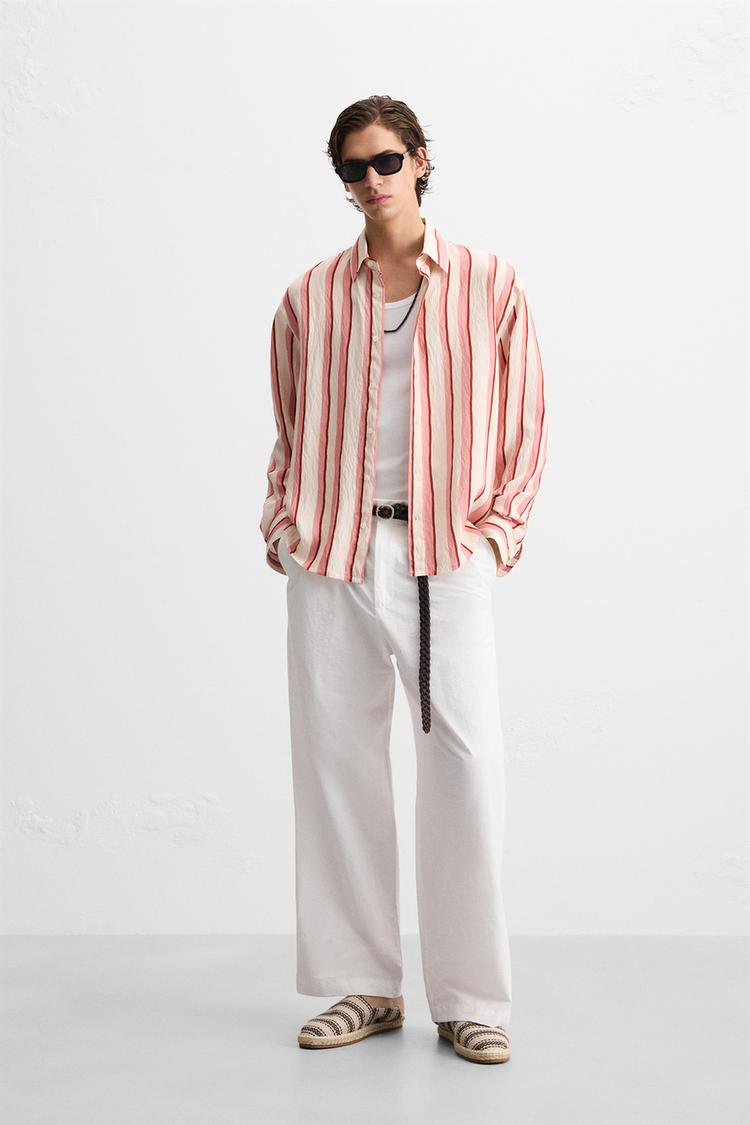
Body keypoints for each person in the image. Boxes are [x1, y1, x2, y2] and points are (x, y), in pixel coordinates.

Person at [259, 95, 548, 1065]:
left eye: (386, 160)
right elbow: (289, 426)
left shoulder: (489, 283)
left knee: (464, 770)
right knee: (336, 768)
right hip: (332, 555)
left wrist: (494, 538)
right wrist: (284, 526)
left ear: (421, 159)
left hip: (443, 554)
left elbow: (526, 424)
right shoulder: (308, 297)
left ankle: (470, 999)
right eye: (352, 167)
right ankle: (364, 987)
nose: (371, 180)